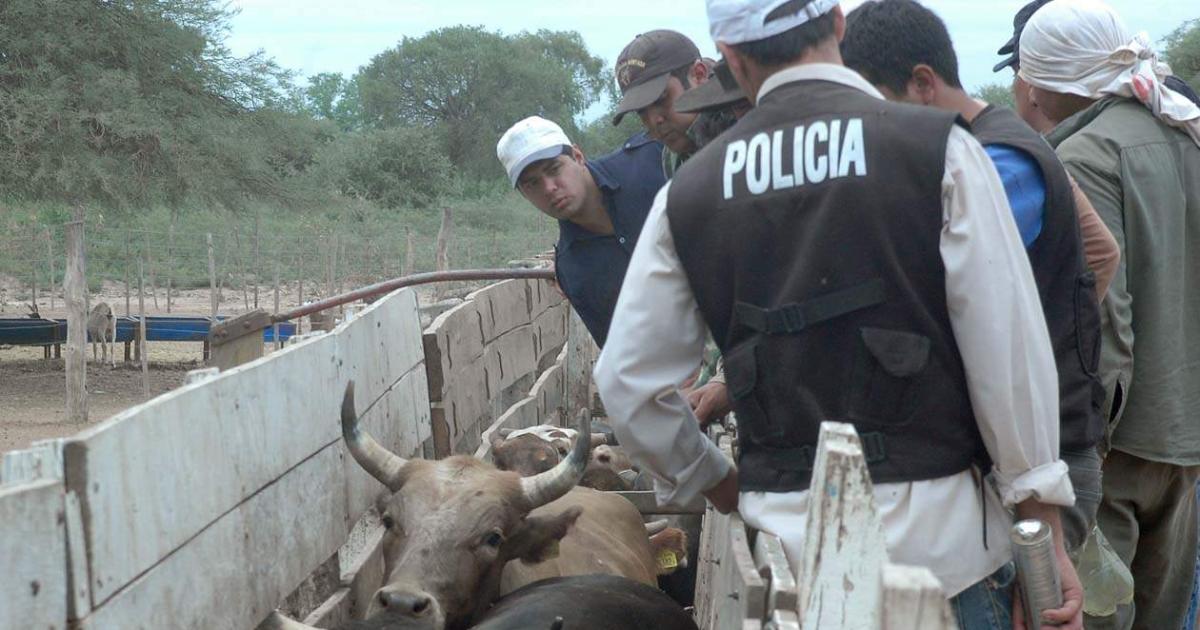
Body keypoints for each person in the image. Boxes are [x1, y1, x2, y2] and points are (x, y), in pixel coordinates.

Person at [594, 1, 1083, 628]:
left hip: (794, 571)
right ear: (839, 27)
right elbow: (1007, 353)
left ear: (732, 60)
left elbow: (627, 385)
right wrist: (1043, 525)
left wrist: (714, 481)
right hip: (944, 558)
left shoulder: (686, 193)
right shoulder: (938, 150)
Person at [839, 0, 1108, 556]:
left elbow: (934, 296)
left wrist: (1044, 351)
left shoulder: (997, 163)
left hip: (1039, 464)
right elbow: (1101, 251)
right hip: (1025, 454)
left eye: (874, 106)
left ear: (921, 83)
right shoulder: (988, 147)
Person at [1018, 1, 1200, 628]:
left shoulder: (1084, 157)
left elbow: (1102, 321)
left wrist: (1078, 448)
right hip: (1184, 440)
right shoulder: (1187, 129)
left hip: (1117, 443)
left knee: (1093, 614)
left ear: (1041, 81)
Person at [496, 116, 665, 347]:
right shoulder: (573, 270)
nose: (549, 188)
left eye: (554, 169)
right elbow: (627, 354)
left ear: (578, 156)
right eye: (532, 183)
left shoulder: (653, 160)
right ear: (524, 195)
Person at [612, 30, 713, 177]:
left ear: (699, 75)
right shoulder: (672, 159)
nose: (654, 121)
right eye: (641, 111)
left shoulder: (745, 130)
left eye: (660, 100)